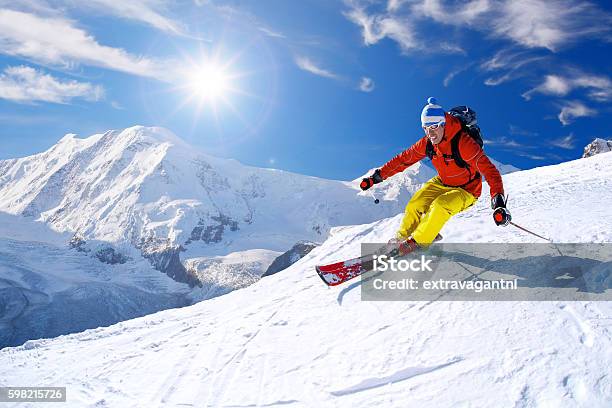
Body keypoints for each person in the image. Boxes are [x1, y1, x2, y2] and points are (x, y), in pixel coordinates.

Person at [360, 97, 511, 252]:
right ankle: (401, 238)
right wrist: (376, 177)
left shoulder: (464, 143)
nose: (430, 133)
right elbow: (403, 160)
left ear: (443, 124)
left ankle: (417, 243)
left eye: (434, 127)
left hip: (467, 189)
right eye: (425, 128)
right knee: (415, 204)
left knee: (441, 205)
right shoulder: (427, 143)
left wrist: (498, 201)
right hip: (442, 182)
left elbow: (490, 171)